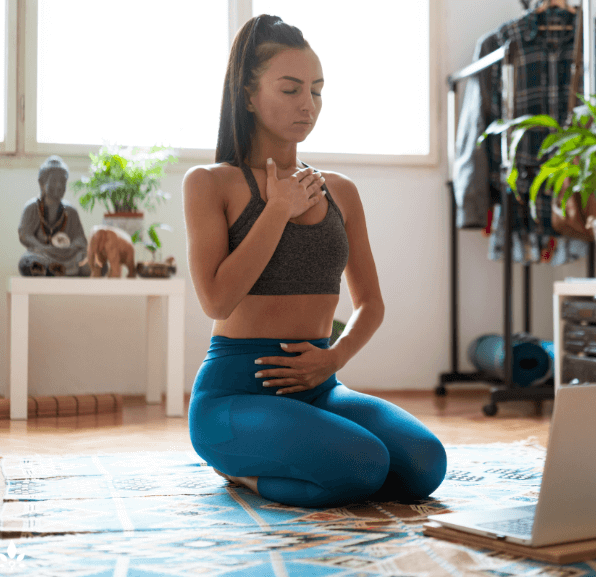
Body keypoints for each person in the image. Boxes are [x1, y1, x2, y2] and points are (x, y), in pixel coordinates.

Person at [183, 14, 447, 508]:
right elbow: (216, 299)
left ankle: (307, 461)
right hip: (235, 395)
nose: (308, 104)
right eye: (290, 89)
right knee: (363, 464)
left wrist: (335, 358)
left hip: (319, 386)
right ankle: (240, 471)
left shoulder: (340, 190)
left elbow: (371, 303)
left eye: (317, 90)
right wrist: (277, 210)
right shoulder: (209, 183)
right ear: (247, 95)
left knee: (425, 462)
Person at [17, 155, 92, 277]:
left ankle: (55, 270)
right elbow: (25, 235)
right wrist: (42, 247)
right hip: (43, 254)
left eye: (62, 181)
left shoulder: (70, 211)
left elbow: (80, 239)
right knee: (27, 261)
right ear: (42, 183)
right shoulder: (32, 208)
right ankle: (52, 269)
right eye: (54, 181)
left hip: (68, 255)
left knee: (92, 262)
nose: (58, 185)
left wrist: (71, 248)